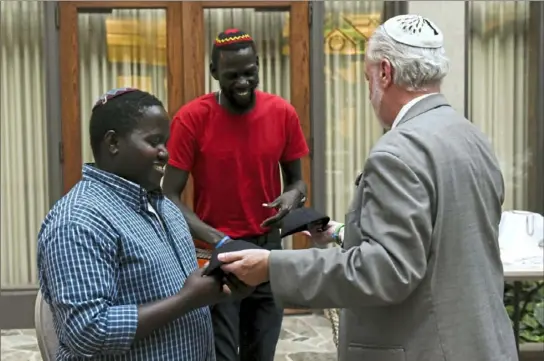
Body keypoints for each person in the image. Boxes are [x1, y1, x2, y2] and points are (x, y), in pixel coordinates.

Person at [216, 15, 519, 361]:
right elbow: (436, 241)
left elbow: (386, 271)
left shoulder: (398, 151)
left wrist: (272, 266)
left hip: (426, 347)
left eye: (367, 79)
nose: (369, 93)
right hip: (479, 343)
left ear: (385, 73)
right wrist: (344, 234)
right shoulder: (471, 135)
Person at [37, 88, 250, 361]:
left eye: (166, 143)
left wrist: (218, 292)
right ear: (113, 143)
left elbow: (176, 294)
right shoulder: (78, 221)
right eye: (154, 142)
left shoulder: (163, 206)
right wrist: (187, 300)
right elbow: (86, 331)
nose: (165, 154)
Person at [162, 29, 309, 361]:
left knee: (261, 352)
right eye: (231, 75)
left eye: (249, 73)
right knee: (222, 355)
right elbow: (168, 194)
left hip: (268, 251)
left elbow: (298, 183)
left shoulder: (282, 113)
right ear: (214, 73)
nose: (242, 82)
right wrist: (218, 239)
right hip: (218, 254)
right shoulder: (191, 119)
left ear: (259, 65)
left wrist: (291, 198)